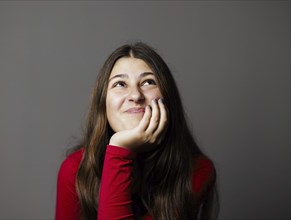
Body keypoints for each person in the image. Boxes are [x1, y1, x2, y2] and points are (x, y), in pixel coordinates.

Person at [55, 42, 219, 220]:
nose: (135, 95)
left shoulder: (197, 170)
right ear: (103, 102)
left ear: (167, 98)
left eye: (148, 82)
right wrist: (120, 149)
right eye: (120, 84)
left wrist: (119, 149)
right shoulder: (75, 170)